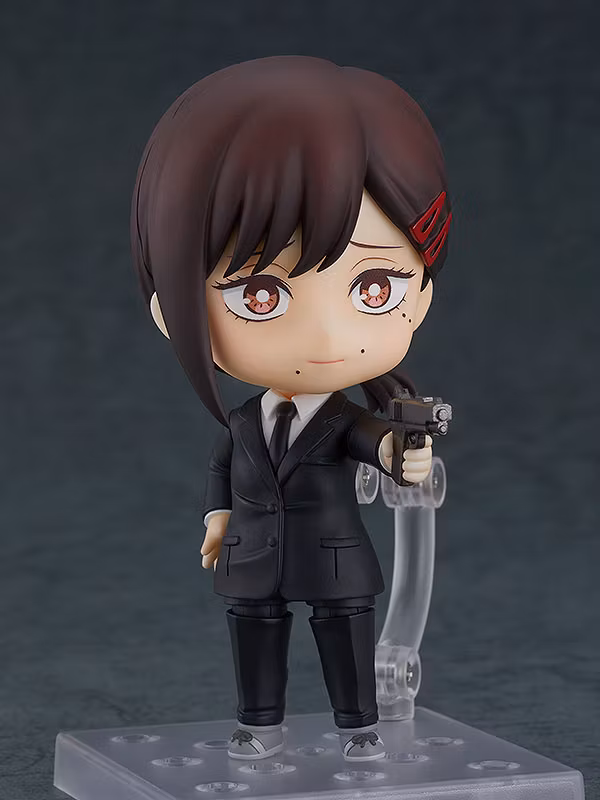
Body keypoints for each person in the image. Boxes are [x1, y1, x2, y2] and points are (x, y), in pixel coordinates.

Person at [131, 55, 451, 762]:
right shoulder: (243, 423)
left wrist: (405, 456)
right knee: (255, 639)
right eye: (261, 295)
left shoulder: (345, 421)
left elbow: (377, 445)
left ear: (420, 295)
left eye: (374, 287)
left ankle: (359, 728)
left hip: (336, 564)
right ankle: (260, 725)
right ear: (170, 314)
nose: (328, 338)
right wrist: (217, 519)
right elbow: (223, 470)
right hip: (252, 561)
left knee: (345, 639)